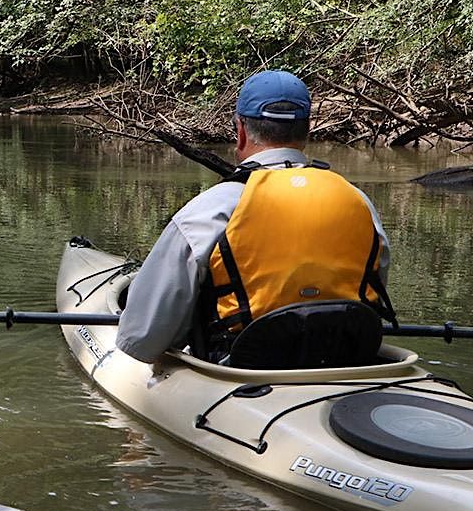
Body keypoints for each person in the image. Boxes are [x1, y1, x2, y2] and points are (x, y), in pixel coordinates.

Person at [115, 69, 396, 365]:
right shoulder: (357, 202)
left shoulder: (212, 209)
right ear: (306, 132)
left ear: (241, 131)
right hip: (346, 363)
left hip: (240, 370)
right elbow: (373, 291)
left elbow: (141, 339)